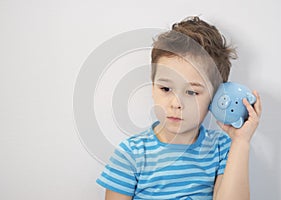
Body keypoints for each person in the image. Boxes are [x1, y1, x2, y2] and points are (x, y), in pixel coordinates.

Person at [96, 16, 262, 200]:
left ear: (215, 98)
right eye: (166, 89)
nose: (176, 104)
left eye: (191, 92)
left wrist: (241, 142)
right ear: (153, 87)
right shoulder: (131, 154)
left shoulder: (221, 148)